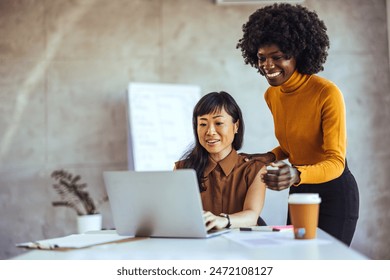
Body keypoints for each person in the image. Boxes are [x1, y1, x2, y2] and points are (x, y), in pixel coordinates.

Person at [236, 3, 359, 246]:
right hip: (301, 190)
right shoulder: (272, 95)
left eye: (278, 57)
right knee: (300, 260)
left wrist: (295, 173)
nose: (268, 66)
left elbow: (335, 161)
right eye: (262, 58)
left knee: (327, 266)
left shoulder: (327, 93)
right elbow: (292, 145)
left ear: (298, 54)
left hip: (335, 192)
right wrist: (269, 157)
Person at [174, 91, 267, 231]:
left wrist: (224, 220)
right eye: (203, 124)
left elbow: (252, 215)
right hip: (197, 247)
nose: (210, 131)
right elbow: (176, 216)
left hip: (242, 247)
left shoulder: (254, 169)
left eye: (218, 123)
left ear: (236, 126)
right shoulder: (182, 169)